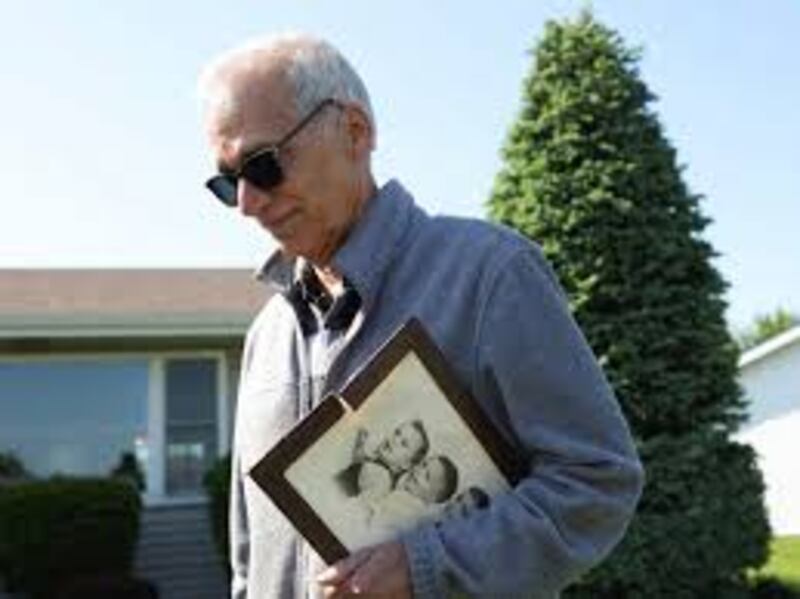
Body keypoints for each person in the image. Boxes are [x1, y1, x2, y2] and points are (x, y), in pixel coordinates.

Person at [198, 32, 644, 599]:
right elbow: (248, 557)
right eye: (226, 181)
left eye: (262, 166)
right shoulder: (267, 335)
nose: (246, 204)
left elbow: (596, 481)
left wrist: (427, 566)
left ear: (354, 132)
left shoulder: (488, 275)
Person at [336, 420, 430, 501]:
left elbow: (358, 506)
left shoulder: (382, 478)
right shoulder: (379, 467)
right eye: (397, 433)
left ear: (406, 464)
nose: (395, 440)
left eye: (404, 444)